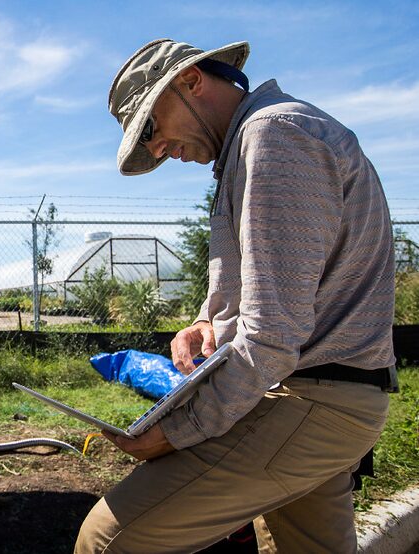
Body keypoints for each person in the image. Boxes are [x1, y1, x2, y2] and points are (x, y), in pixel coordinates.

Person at [75, 39, 397, 553]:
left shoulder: (275, 136)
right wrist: (208, 322)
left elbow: (272, 334)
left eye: (151, 129)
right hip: (324, 400)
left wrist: (179, 430)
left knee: (112, 539)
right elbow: (279, 288)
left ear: (191, 81)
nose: (156, 150)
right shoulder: (256, 144)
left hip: (307, 398)